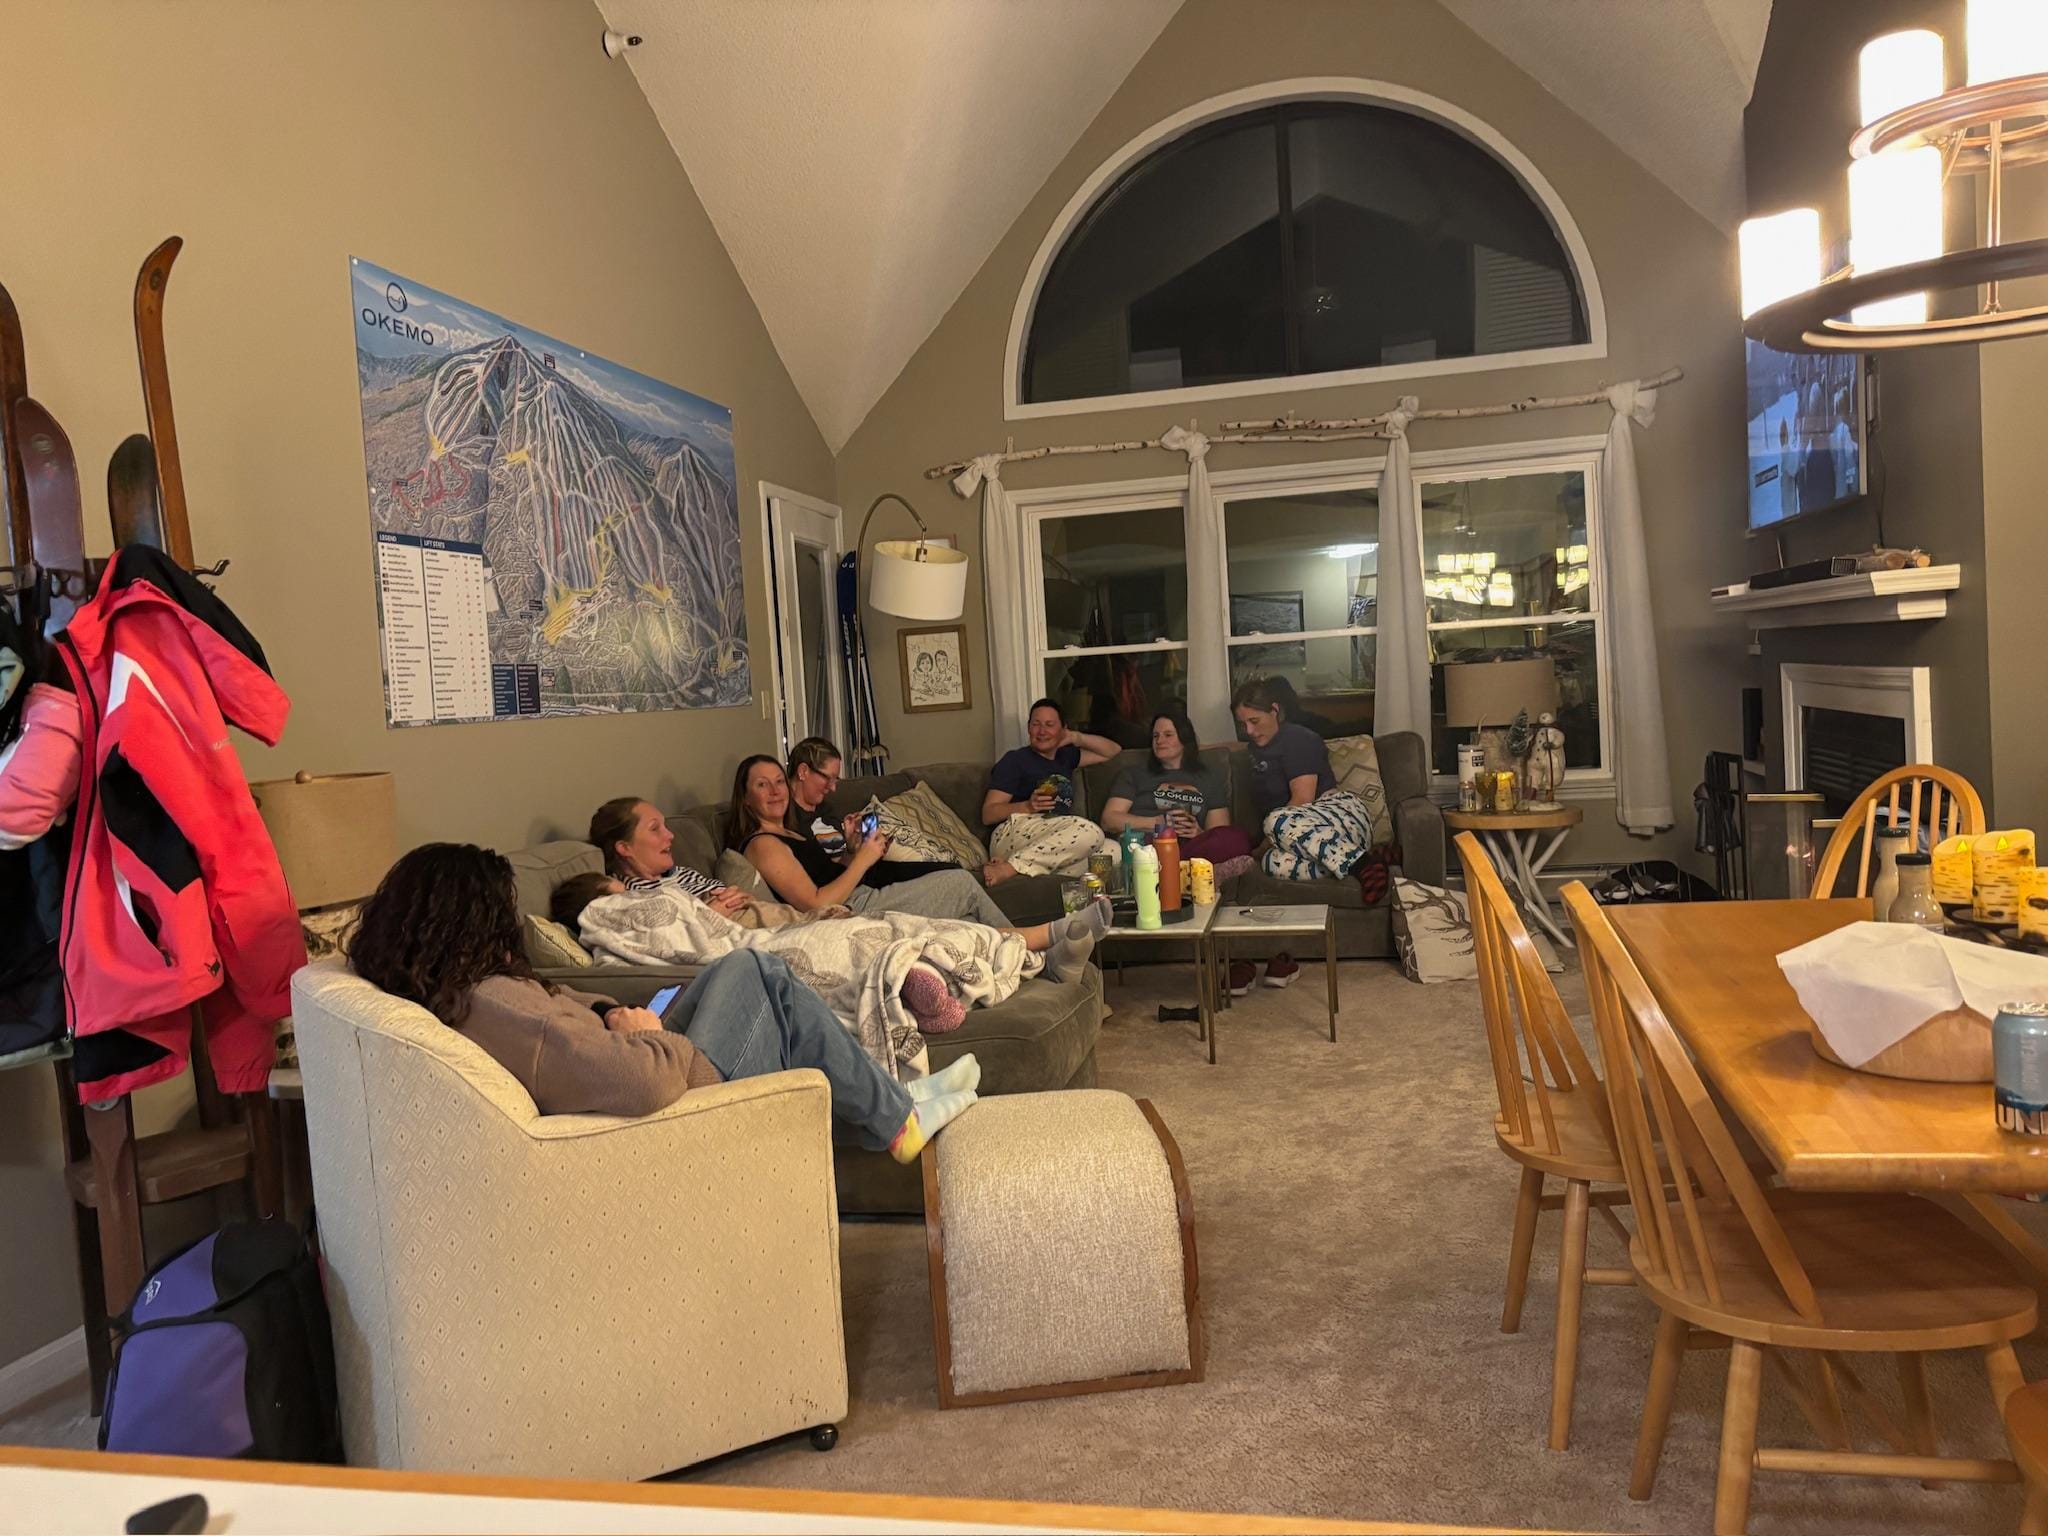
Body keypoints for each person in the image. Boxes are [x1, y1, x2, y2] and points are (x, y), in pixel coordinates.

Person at [348, 843, 979, 1163]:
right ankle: (896, 1118)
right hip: (678, 1088)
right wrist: (647, 1032)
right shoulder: (507, 1010)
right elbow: (642, 1081)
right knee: (763, 972)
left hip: (641, 1047)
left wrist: (607, 1012)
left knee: (747, 968)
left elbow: (568, 1004)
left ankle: (891, 1106)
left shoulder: (462, 986)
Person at [731, 758, 1042, 933]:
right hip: (853, 911)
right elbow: (816, 904)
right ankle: (1028, 943)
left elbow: (827, 877)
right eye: (762, 785)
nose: (775, 791)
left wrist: (853, 850)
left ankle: (1015, 954)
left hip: (859, 895)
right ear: (745, 798)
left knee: (965, 921)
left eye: (779, 782)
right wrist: (863, 861)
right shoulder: (763, 845)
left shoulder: (791, 834)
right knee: (961, 883)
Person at [1232, 676, 1387, 970]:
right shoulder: (1257, 747)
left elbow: (1302, 800)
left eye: (1254, 721)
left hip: (1339, 815)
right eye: (1243, 724)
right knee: (1273, 864)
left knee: (1275, 821)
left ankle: (1363, 864)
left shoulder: (1297, 739)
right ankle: (1365, 858)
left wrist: (1260, 846)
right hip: (1315, 844)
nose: (1249, 731)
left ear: (1274, 710)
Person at [786, 736, 1002, 883]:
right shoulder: (790, 820)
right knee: (952, 878)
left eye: (836, 780)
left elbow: (841, 862)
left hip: (868, 872)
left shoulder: (824, 810)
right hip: (863, 883)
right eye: (828, 778)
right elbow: (826, 874)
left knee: (953, 872)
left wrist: (853, 845)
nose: (833, 788)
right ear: (803, 771)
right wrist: (859, 858)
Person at [1098, 709, 1255, 883]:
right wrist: (1157, 823)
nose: (1159, 741)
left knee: (1238, 838)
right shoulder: (1134, 774)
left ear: (1184, 739)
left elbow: (1219, 830)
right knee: (1135, 850)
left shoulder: (1208, 778)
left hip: (1191, 847)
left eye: (1168, 735)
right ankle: (1193, 874)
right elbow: (1109, 819)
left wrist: (1198, 833)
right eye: (1155, 736)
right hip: (1148, 848)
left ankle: (1181, 872)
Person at [980, 698, 1116, 878]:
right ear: (1028, 728)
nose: (1042, 731)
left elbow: (1112, 751)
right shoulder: (1015, 760)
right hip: (1013, 831)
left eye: (1049, 725)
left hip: (1054, 838)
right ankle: (1011, 868)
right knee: (1090, 832)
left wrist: (1076, 737)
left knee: (1112, 851)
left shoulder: (1065, 757)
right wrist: (1027, 806)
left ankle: (1032, 875)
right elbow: (988, 814)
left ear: (1062, 729)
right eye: (1036, 724)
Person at [589, 798, 755, 919]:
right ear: (625, 848)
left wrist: (743, 898)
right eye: (655, 829)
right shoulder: (633, 898)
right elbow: (668, 941)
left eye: (665, 826)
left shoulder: (684, 873)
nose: (670, 835)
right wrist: (710, 916)